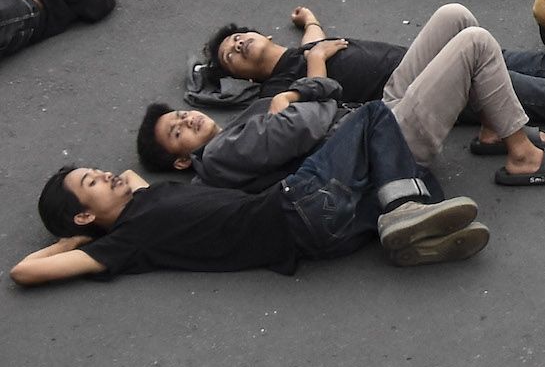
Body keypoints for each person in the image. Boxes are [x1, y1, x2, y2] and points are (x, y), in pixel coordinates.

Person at [15, 108, 490, 284]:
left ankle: (413, 235)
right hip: (296, 203)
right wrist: (72, 241)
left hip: (318, 239)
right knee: (372, 118)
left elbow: (128, 176)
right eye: (91, 184)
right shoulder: (124, 241)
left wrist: (102, 195)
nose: (104, 174)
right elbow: (25, 271)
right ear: (83, 216)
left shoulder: (140, 208)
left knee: (407, 169)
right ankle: (405, 212)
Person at [144, 2, 545, 187]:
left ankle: (493, 130)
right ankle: (524, 158)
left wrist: (310, 28)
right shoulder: (225, 151)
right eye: (178, 133)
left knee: (455, 17)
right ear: (182, 160)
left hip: (374, 118)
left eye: (178, 116)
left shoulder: (238, 128)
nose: (187, 119)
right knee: (477, 43)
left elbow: (315, 76)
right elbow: (315, 114)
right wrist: (295, 96)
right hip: (382, 146)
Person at [193, 4, 545, 144]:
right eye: (230, 56)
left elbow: (311, 29)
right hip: (436, 85)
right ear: (241, 76)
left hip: (451, 53)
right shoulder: (283, 86)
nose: (237, 45)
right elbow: (307, 108)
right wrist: (313, 63)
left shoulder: (303, 45)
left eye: (238, 37)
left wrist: (308, 21)